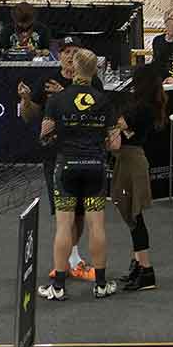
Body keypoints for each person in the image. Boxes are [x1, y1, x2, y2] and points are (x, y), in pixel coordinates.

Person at [38, 48, 120, 300]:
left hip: (67, 168)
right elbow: (115, 144)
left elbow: (44, 137)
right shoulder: (104, 101)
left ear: (73, 68)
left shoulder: (57, 100)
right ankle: (101, 284)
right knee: (97, 225)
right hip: (95, 168)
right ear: (95, 70)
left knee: (64, 225)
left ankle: (58, 287)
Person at [18, 37, 102, 280]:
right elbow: (29, 116)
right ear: (60, 55)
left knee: (80, 212)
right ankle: (69, 261)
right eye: (65, 51)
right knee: (64, 212)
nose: (69, 56)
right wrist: (26, 100)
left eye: (74, 51)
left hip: (84, 154)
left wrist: (63, 94)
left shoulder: (92, 81)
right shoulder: (46, 81)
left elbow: (95, 111)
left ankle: (68, 262)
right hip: (55, 156)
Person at [112, 65, 166, 292]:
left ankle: (146, 270)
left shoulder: (141, 108)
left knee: (134, 217)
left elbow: (119, 126)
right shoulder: (146, 106)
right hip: (129, 160)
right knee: (131, 216)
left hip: (132, 162)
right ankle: (138, 264)